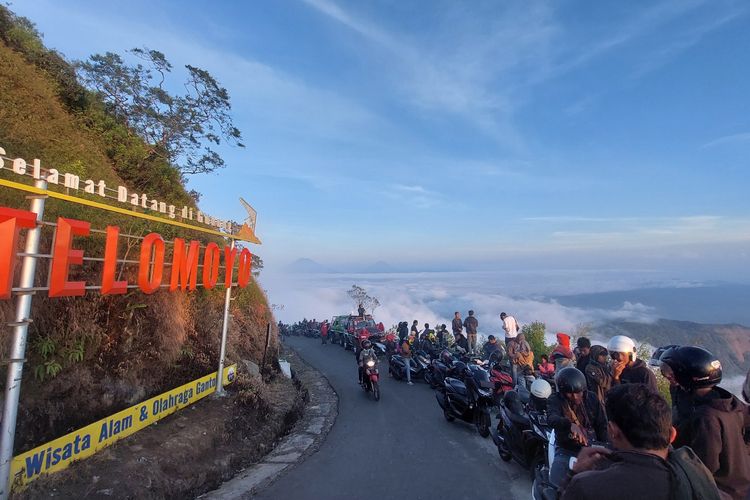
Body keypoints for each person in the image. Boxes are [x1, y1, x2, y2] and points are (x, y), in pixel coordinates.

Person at [560, 383, 722, 500]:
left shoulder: (587, 486)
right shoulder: (699, 475)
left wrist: (574, 473)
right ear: (672, 435)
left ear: (613, 431)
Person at [660, 346, 750, 500]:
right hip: (740, 488)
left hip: (720, 492)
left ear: (689, 377)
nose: (668, 377)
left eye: (671, 373)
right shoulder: (729, 403)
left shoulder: (707, 418)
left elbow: (703, 466)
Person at [548, 367, 608, 489]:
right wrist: (569, 424)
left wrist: (606, 446)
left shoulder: (592, 398)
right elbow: (551, 418)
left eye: (578, 392)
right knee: (556, 483)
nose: (575, 397)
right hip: (566, 448)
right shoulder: (555, 399)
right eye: (570, 393)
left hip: (592, 447)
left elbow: (601, 424)